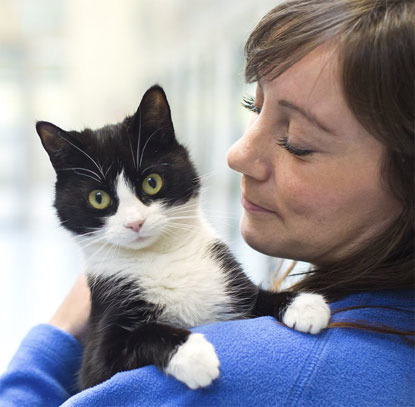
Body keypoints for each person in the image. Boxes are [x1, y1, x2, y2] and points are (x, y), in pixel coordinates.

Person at [0, 0, 413, 405]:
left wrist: (53, 338)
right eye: (253, 105)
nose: (237, 155)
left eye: (297, 143)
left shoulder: (271, 374)